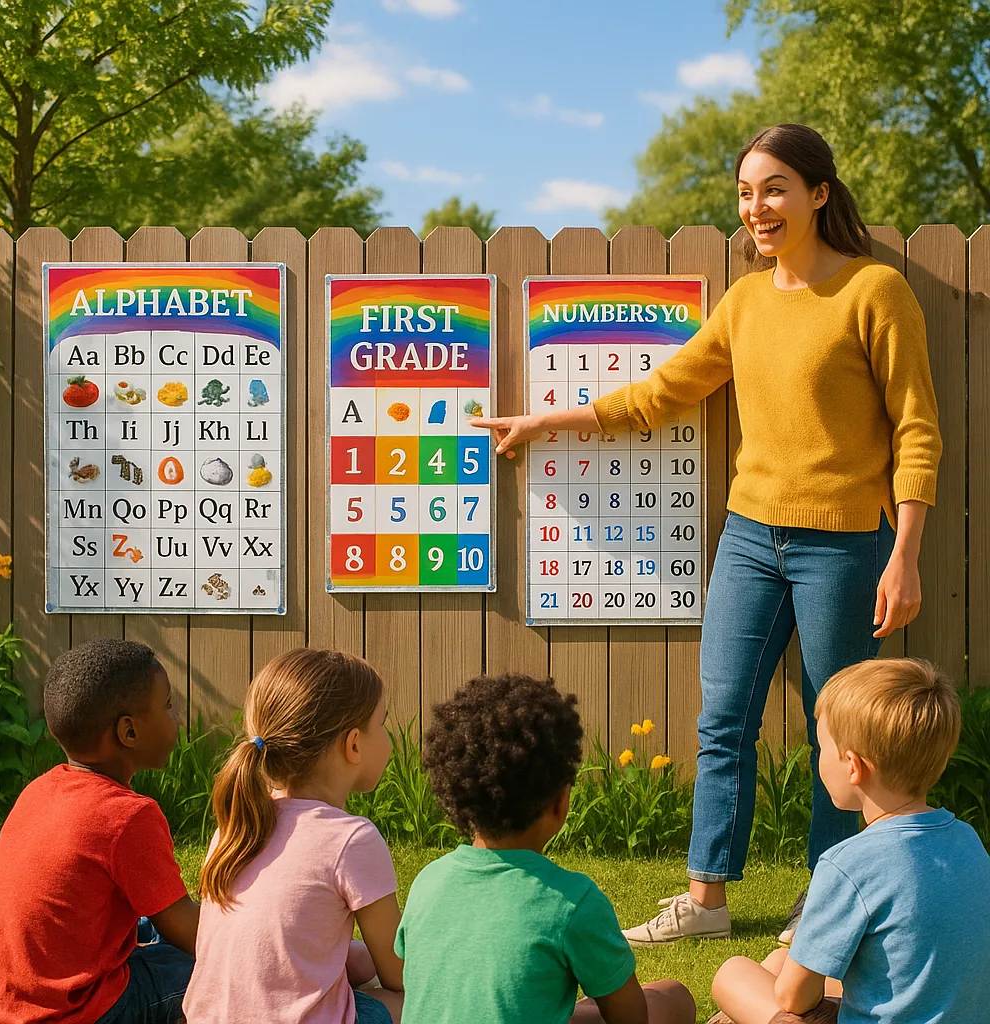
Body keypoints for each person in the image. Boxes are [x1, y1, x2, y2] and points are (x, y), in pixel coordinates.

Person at [471, 123, 942, 943]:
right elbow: (663, 392)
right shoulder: (748, 301)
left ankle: (826, 901)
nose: (757, 208)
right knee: (723, 718)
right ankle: (708, 903)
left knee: (843, 729)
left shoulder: (874, 292)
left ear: (818, 194)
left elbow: (916, 429)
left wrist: (903, 553)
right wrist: (549, 420)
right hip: (751, 540)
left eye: (774, 189)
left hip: (844, 545)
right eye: (745, 194)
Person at [395, 672, 696, 1024]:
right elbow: (630, 1016)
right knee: (673, 996)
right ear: (561, 802)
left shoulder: (427, 883)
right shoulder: (572, 900)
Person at [708, 658, 990, 1024]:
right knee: (778, 961)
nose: (820, 756)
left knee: (734, 973)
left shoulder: (849, 864)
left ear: (854, 767)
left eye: (822, 746)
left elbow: (794, 997)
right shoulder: (968, 841)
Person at [0, 638, 199, 1024]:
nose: (176, 717)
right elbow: (189, 932)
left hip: (9, 996)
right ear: (129, 732)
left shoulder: (40, 788)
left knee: (145, 928)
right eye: (169, 706)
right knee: (220, 963)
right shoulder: (129, 816)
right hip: (76, 1011)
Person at [182, 648, 403, 1024]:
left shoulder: (237, 825)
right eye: (382, 723)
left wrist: (355, 957)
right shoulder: (351, 839)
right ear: (353, 744)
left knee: (358, 964)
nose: (387, 736)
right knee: (420, 1002)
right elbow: (397, 972)